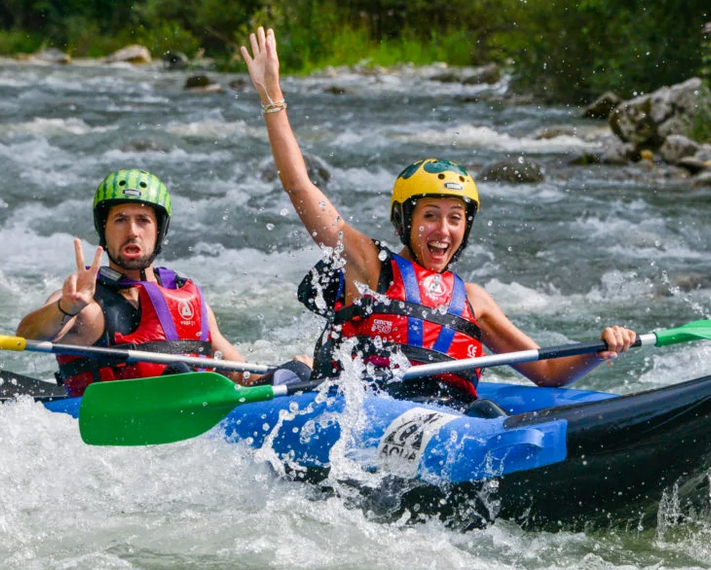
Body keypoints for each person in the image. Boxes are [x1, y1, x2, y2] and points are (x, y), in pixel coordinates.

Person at [241, 28, 638, 409]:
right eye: (430, 216)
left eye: (455, 218)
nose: (443, 230)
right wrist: (272, 96)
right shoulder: (367, 265)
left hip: (450, 418)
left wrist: (603, 350)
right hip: (370, 415)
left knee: (485, 413)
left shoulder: (474, 301)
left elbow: (549, 373)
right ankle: (286, 376)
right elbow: (299, 187)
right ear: (404, 222)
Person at [16, 168, 309, 396]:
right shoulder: (86, 302)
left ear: (159, 230)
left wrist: (287, 373)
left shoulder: (187, 299)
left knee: (299, 370)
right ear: (103, 229)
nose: (132, 232)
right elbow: (29, 335)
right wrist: (67, 307)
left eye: (143, 220)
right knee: (179, 373)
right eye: (120, 220)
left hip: (189, 412)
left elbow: (237, 372)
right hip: (113, 423)